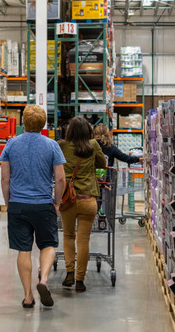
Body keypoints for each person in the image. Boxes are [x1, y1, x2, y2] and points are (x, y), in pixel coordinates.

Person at [1, 105, 66, 308]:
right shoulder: (52, 145)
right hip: (43, 204)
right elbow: (60, 179)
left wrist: (8, 202)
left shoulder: (11, 144)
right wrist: (57, 202)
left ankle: (28, 296)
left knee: (24, 249)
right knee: (48, 245)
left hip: (18, 204)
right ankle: (44, 280)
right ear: (43, 123)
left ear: (23, 122)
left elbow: (5, 178)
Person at [58, 117, 107, 293]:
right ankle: (80, 280)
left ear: (69, 130)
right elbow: (102, 164)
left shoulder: (62, 145)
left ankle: (69, 272)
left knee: (68, 236)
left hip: (68, 199)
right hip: (88, 199)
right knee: (83, 240)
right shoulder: (93, 145)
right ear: (88, 131)